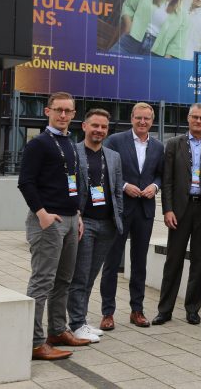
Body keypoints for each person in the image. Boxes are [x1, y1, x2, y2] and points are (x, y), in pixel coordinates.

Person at [18, 92, 89, 360]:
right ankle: (35, 343)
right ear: (48, 111)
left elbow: (71, 182)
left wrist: (78, 214)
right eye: (58, 110)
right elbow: (26, 182)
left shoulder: (69, 142)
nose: (63, 115)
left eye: (68, 111)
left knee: (64, 280)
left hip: (70, 219)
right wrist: (42, 214)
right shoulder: (39, 144)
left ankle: (57, 330)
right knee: (42, 281)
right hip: (48, 221)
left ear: (73, 114)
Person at [153, 103, 201, 326]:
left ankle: (192, 309)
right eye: (195, 117)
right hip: (179, 210)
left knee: (198, 260)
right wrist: (167, 209)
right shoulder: (174, 144)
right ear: (188, 118)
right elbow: (167, 181)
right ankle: (164, 310)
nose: (198, 121)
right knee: (173, 260)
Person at [101, 103, 163, 330]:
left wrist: (155, 187)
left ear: (152, 121)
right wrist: (125, 185)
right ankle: (107, 313)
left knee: (139, 262)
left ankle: (137, 310)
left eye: (147, 119)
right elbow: (104, 169)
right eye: (139, 118)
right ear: (131, 118)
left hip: (145, 211)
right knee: (111, 262)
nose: (142, 122)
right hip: (120, 209)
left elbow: (160, 175)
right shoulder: (116, 141)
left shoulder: (157, 146)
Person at [67, 109, 124, 343]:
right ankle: (77, 323)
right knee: (80, 275)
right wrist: (75, 214)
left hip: (108, 224)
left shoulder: (113, 156)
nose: (99, 130)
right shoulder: (73, 152)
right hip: (85, 222)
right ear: (84, 127)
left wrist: (118, 215)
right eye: (95, 126)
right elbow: (69, 186)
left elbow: (118, 189)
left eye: (103, 127)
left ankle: (81, 320)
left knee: (91, 275)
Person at [110, 0, 188, 58]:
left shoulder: (183, 15)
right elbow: (128, 4)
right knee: (110, 64)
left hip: (153, 53)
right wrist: (128, 24)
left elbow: (177, 43)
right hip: (131, 41)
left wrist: (166, 59)